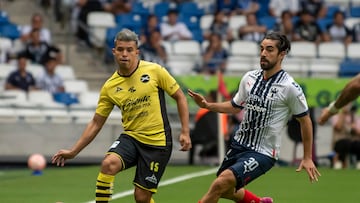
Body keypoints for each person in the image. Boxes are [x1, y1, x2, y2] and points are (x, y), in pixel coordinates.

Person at [51, 28, 191, 203]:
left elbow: (180, 97)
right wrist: (74, 151)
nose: (125, 54)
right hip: (131, 138)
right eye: (121, 49)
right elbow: (96, 123)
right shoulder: (110, 87)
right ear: (114, 51)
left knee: (141, 198)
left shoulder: (155, 71)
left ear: (136, 52)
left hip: (158, 143)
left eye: (129, 50)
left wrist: (185, 131)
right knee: (108, 164)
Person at [188, 32, 320, 203]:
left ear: (282, 54)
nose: (263, 53)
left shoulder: (290, 87)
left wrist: (307, 157)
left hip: (263, 152)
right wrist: (208, 105)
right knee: (226, 189)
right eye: (262, 49)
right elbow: (235, 107)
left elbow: (305, 120)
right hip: (238, 144)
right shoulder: (249, 77)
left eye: (269, 49)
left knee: (219, 184)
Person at [331, 103, 360, 169]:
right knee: (345, 143)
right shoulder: (336, 116)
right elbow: (338, 127)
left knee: (358, 144)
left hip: (352, 141)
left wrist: (354, 127)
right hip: (340, 141)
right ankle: (340, 162)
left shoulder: (355, 117)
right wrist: (343, 114)